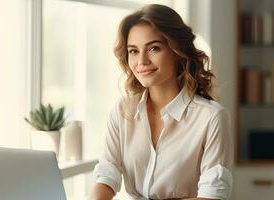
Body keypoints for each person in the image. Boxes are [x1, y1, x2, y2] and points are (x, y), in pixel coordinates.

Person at [88, 4, 233, 200]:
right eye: (133, 51)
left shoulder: (212, 117)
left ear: (177, 50)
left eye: (154, 48)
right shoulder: (123, 110)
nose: (142, 61)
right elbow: (107, 173)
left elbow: (213, 196)